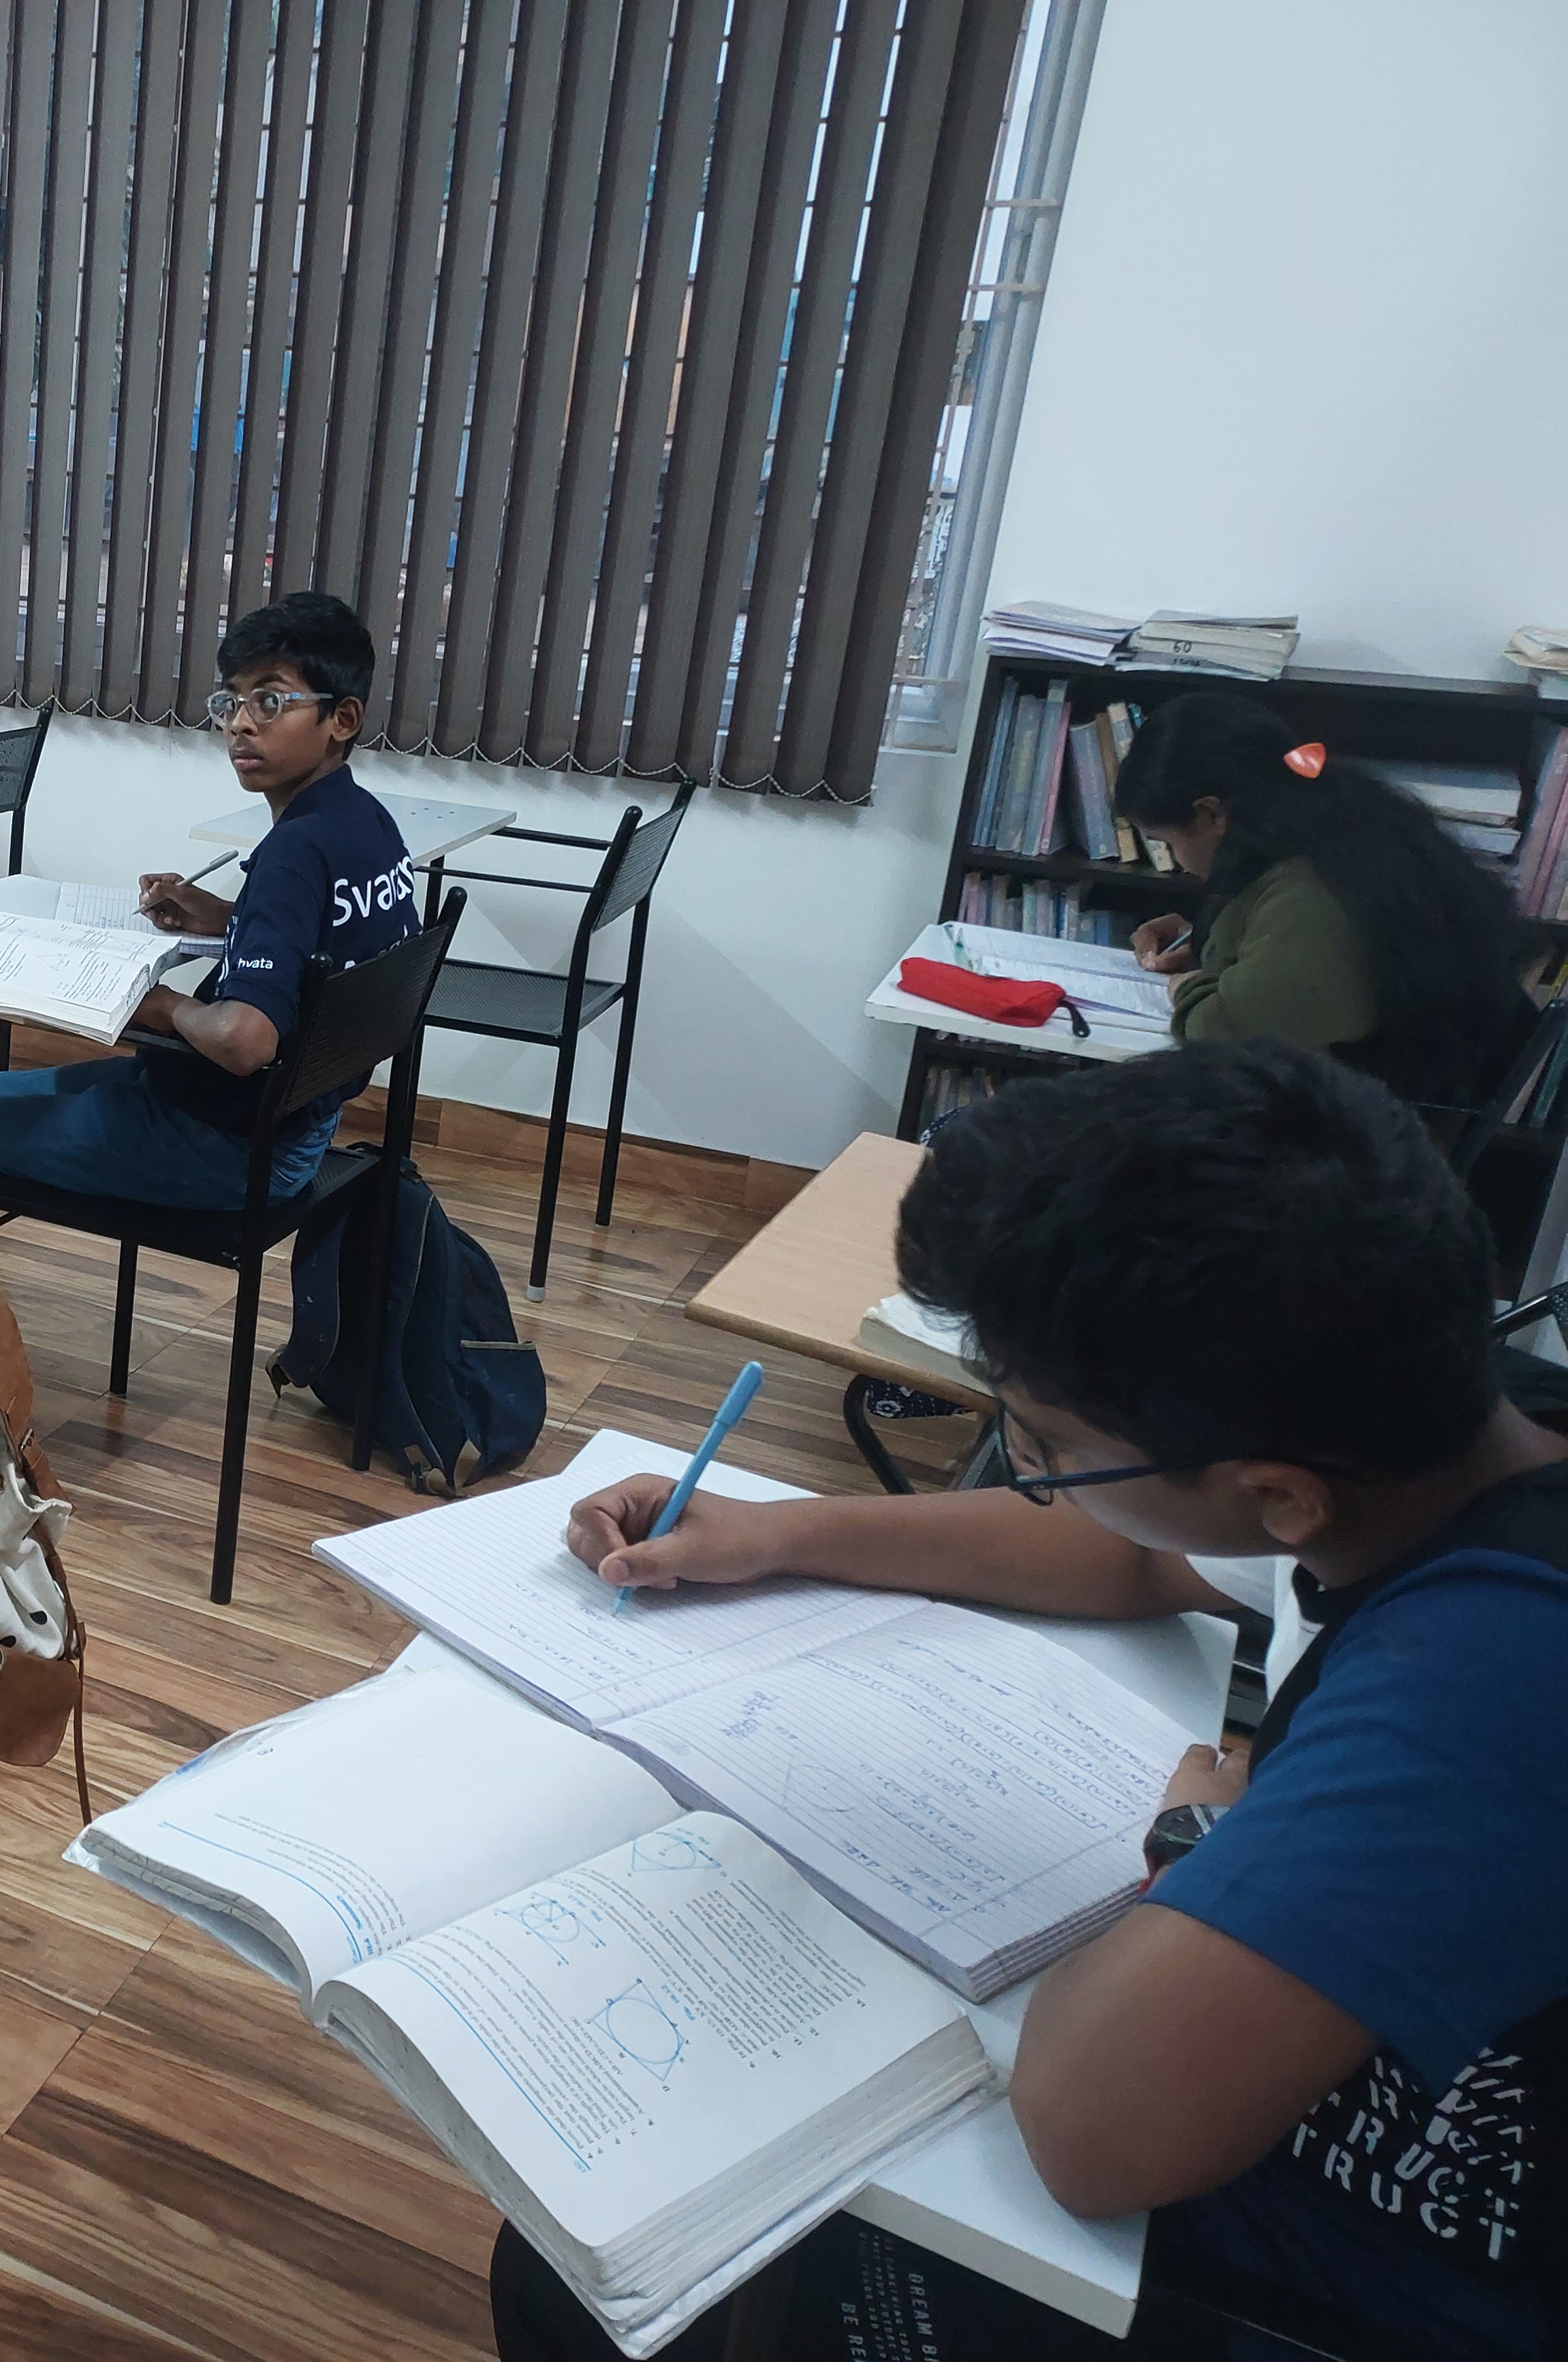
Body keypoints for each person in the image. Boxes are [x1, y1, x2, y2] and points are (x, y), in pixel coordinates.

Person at [510, 1040, 1565, 2362]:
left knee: (604, 2277)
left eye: (1047, 1447)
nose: (1032, 1473)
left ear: (1278, 1493)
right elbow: (1141, 1553)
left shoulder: (1486, 1684)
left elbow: (1087, 2127)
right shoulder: (1441, 1424)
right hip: (1259, 2125)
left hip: (1318, 2285)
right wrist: (776, 1534)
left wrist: (1197, 1842)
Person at [0, 588, 420, 1206]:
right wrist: (227, 917)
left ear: (342, 719)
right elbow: (327, 947)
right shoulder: (367, 824)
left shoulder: (295, 851)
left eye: (270, 702)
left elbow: (245, 1041)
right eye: (231, 701)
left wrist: (157, 1005)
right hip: (279, 1122)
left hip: (220, 1142)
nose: (240, 724)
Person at [1118, 691, 1531, 1109]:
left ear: (1212, 813)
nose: (1176, 860)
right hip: (1377, 1098)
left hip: (1367, 1131)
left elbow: (1229, 1035)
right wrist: (1203, 941)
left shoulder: (1315, 891)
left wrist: (1188, 987)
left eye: (1166, 842)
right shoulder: (1339, 827)